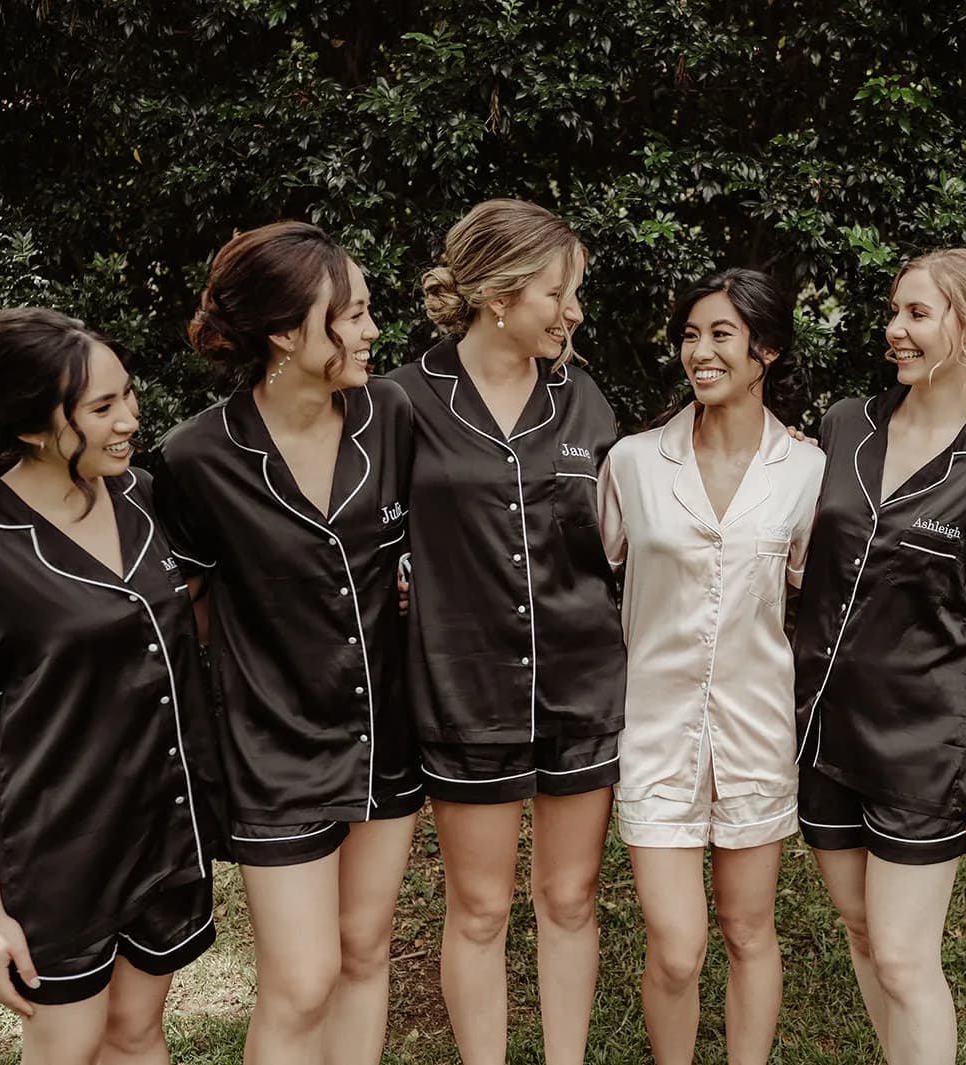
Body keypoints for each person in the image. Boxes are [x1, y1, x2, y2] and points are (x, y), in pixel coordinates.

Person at [153, 222, 421, 1065]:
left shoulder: (391, 416)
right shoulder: (195, 458)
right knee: (303, 980)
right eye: (351, 314)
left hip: (385, 732)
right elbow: (183, 613)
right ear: (284, 333)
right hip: (270, 746)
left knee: (366, 951)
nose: (372, 330)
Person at [0, 308, 220, 1064]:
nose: (129, 418)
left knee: (136, 1034)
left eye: (128, 395)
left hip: (162, 829)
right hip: (58, 855)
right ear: (32, 425)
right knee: (67, 1046)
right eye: (101, 407)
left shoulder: (142, 497)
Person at [792, 249, 966, 1065]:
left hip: (925, 744)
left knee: (906, 956)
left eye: (916, 314)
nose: (894, 330)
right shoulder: (843, 424)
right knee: (865, 934)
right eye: (894, 311)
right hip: (823, 731)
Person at [390, 198, 625, 1065]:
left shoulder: (582, 395)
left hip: (582, 683)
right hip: (466, 688)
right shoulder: (403, 401)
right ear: (500, 292)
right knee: (480, 908)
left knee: (569, 898)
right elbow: (363, 527)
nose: (574, 312)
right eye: (561, 293)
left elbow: (623, 528)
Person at [597, 269, 824, 1064]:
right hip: (655, 735)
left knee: (749, 929)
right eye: (691, 335)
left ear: (765, 349)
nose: (701, 350)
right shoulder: (631, 463)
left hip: (757, 732)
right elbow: (588, 586)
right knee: (679, 946)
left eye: (721, 334)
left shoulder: (806, 471)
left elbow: (812, 602)